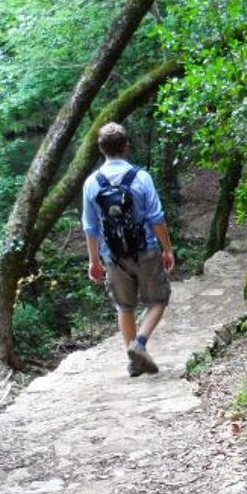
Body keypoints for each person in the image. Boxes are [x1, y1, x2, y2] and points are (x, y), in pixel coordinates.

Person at [82, 122, 175, 377]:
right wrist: (167, 249)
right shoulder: (141, 178)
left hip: (112, 255)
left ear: (101, 149)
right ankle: (140, 344)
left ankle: (134, 361)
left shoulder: (91, 183)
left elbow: (90, 227)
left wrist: (94, 261)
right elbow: (156, 218)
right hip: (145, 248)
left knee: (125, 307)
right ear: (126, 146)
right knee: (158, 300)